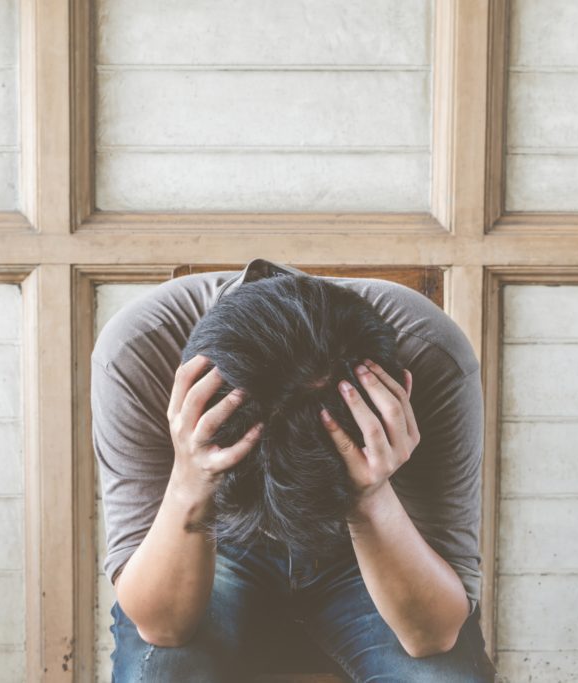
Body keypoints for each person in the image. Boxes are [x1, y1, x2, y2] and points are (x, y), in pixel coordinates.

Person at [91, 257, 497, 682]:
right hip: (216, 540)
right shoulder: (139, 349)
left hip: (373, 544)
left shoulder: (430, 351)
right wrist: (190, 482)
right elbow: (163, 627)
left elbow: (432, 636)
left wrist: (370, 493)